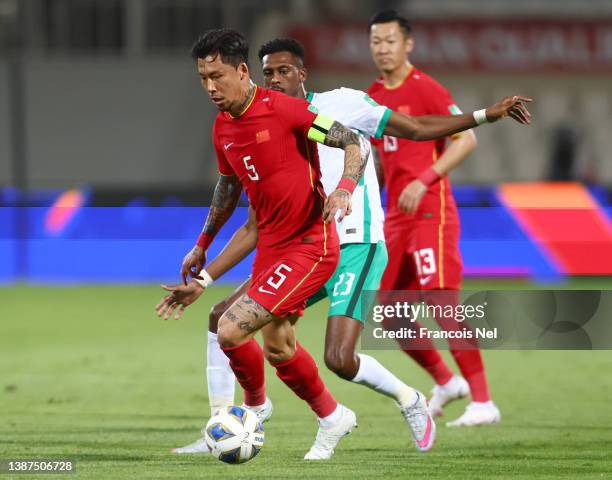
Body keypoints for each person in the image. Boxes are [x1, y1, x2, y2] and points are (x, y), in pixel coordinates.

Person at [157, 35, 531, 451]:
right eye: (270, 73)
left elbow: (414, 129)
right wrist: (204, 259)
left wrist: (482, 116)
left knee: (335, 356)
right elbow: (246, 211)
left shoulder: (332, 106)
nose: (277, 79)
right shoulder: (235, 125)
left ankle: (403, 400)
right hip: (293, 248)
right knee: (269, 341)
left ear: (303, 73)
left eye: (285, 71)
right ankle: (239, 424)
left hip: (354, 243)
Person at [162, 28, 377, 461]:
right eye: (203, 78)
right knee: (278, 347)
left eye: (217, 76)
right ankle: (333, 417)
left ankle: (254, 410)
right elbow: (227, 189)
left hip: (310, 245)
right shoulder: (223, 127)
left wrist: (344, 190)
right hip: (272, 251)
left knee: (229, 327)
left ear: (243, 72)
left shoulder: (288, 111)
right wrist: (202, 244)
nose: (210, 87)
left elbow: (353, 142)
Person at [367, 10, 521, 426]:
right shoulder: (371, 95)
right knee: (389, 312)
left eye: (390, 41)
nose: (382, 48)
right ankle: (447, 381)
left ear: (408, 44)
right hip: (396, 215)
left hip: (430, 211)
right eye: (376, 41)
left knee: (442, 301)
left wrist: (424, 178)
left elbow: (466, 139)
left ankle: (484, 402)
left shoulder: (427, 89)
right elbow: (381, 157)